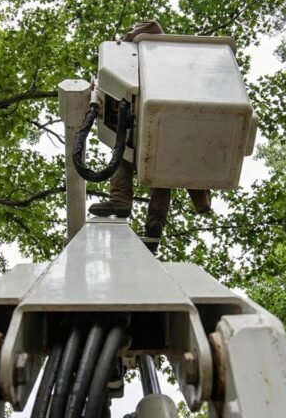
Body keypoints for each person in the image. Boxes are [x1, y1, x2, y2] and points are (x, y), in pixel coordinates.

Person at [88, 20, 212, 253]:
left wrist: (124, 39)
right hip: (162, 122)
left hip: (163, 113)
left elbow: (152, 27)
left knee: (131, 158)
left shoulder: (154, 48)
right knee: (157, 170)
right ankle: (149, 218)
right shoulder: (153, 62)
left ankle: (126, 203)